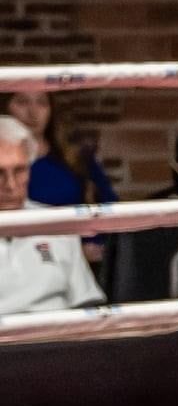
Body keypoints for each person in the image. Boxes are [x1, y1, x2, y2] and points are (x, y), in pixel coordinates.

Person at [0, 115, 106, 315]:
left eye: (20, 171)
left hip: (58, 341)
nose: (10, 185)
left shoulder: (56, 224)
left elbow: (87, 303)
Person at [1, 90, 118, 263]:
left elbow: (110, 206)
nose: (33, 112)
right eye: (22, 102)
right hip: (16, 253)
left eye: (42, 103)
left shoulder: (75, 158)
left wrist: (90, 245)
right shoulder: (7, 170)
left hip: (75, 255)